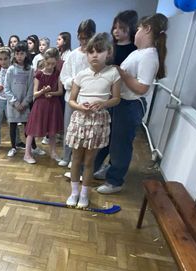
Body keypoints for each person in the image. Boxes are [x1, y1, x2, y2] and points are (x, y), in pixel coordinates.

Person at [97, 14, 168, 194]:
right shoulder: (138, 52)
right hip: (121, 103)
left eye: (138, 29)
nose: (135, 33)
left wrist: (122, 73)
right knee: (112, 141)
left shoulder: (149, 56)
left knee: (121, 145)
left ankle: (115, 181)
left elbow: (142, 88)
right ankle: (110, 170)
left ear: (147, 29)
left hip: (131, 105)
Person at [66, 33, 121, 208]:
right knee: (76, 158)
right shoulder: (81, 75)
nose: (95, 55)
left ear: (108, 53)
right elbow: (71, 100)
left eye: (99, 51)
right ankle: (74, 192)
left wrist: (103, 103)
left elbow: (116, 98)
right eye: (91, 52)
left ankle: (84, 194)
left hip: (98, 121)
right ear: (87, 54)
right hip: (80, 120)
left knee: (89, 161)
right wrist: (80, 106)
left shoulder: (113, 73)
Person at [94, 10, 138, 179]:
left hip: (123, 98)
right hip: (107, 97)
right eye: (115, 27)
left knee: (119, 141)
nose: (116, 31)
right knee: (105, 135)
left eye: (121, 28)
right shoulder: (111, 48)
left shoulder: (134, 50)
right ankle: (94, 168)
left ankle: (113, 173)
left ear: (130, 28)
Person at [59, 19, 96, 167]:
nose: (84, 41)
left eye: (87, 38)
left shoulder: (94, 55)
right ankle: (66, 156)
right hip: (71, 98)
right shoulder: (73, 55)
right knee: (69, 128)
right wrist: (73, 82)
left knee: (84, 131)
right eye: (81, 38)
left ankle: (77, 160)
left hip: (88, 99)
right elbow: (64, 76)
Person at [25, 48, 64, 163]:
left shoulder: (57, 73)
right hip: (40, 105)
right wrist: (43, 91)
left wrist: (51, 93)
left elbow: (60, 91)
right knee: (32, 130)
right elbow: (35, 94)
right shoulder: (39, 74)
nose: (50, 66)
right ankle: (27, 154)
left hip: (53, 105)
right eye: (48, 63)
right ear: (44, 60)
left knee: (52, 130)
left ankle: (53, 152)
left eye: (53, 64)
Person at [4, 41, 34, 158]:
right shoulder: (11, 69)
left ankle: (31, 147)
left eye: (22, 53)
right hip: (13, 105)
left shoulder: (30, 69)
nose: (19, 56)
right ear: (14, 54)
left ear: (26, 54)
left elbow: (31, 88)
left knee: (28, 127)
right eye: (17, 54)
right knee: (13, 126)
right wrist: (15, 103)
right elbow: (6, 88)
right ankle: (13, 147)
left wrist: (25, 103)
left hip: (24, 104)